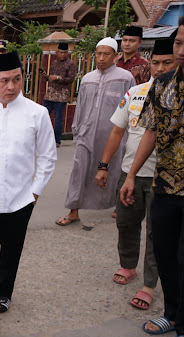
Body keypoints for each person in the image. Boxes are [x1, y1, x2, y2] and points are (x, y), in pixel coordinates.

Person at [0, 52, 56, 337]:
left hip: (21, 198)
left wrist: (35, 192)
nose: (12, 86)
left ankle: (3, 292)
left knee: (12, 248)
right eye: (4, 81)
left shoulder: (37, 114)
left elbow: (48, 157)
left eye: (17, 79)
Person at [95, 37, 176, 310]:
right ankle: (128, 265)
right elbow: (117, 131)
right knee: (127, 223)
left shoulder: (177, 95)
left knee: (157, 232)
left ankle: (149, 284)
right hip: (130, 172)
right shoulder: (135, 93)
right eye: (155, 62)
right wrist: (104, 165)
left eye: (167, 62)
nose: (159, 68)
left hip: (163, 177)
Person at [120, 20, 184, 337]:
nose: (181, 51)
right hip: (166, 184)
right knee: (165, 251)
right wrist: (131, 175)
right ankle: (171, 313)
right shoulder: (162, 86)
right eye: (178, 43)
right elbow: (151, 132)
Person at [56, 37, 135, 226]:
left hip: (114, 135)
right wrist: (77, 129)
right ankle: (73, 210)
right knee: (79, 170)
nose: (101, 58)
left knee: (115, 169)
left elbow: (130, 109)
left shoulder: (125, 78)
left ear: (115, 56)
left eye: (106, 54)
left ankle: (118, 204)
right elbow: (81, 106)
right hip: (86, 133)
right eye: (98, 54)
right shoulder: (87, 79)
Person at [41, 42, 76, 147]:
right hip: (50, 93)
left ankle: (57, 141)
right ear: (57, 52)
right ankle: (42, 138)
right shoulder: (54, 63)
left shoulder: (70, 64)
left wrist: (57, 77)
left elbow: (70, 79)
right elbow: (51, 78)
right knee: (43, 116)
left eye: (65, 53)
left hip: (61, 95)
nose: (63, 55)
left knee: (58, 118)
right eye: (61, 52)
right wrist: (46, 77)